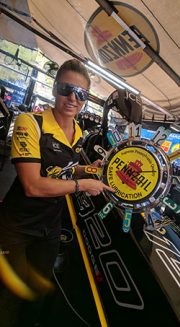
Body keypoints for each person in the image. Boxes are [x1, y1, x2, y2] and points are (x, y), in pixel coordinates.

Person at [0, 59, 113, 326]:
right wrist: (83, 184)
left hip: (48, 229)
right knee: (10, 295)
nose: (73, 98)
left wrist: (86, 170)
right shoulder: (31, 122)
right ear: (54, 89)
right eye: (66, 89)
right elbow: (33, 185)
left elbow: (63, 170)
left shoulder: (78, 132)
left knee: (37, 293)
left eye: (81, 94)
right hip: (15, 227)